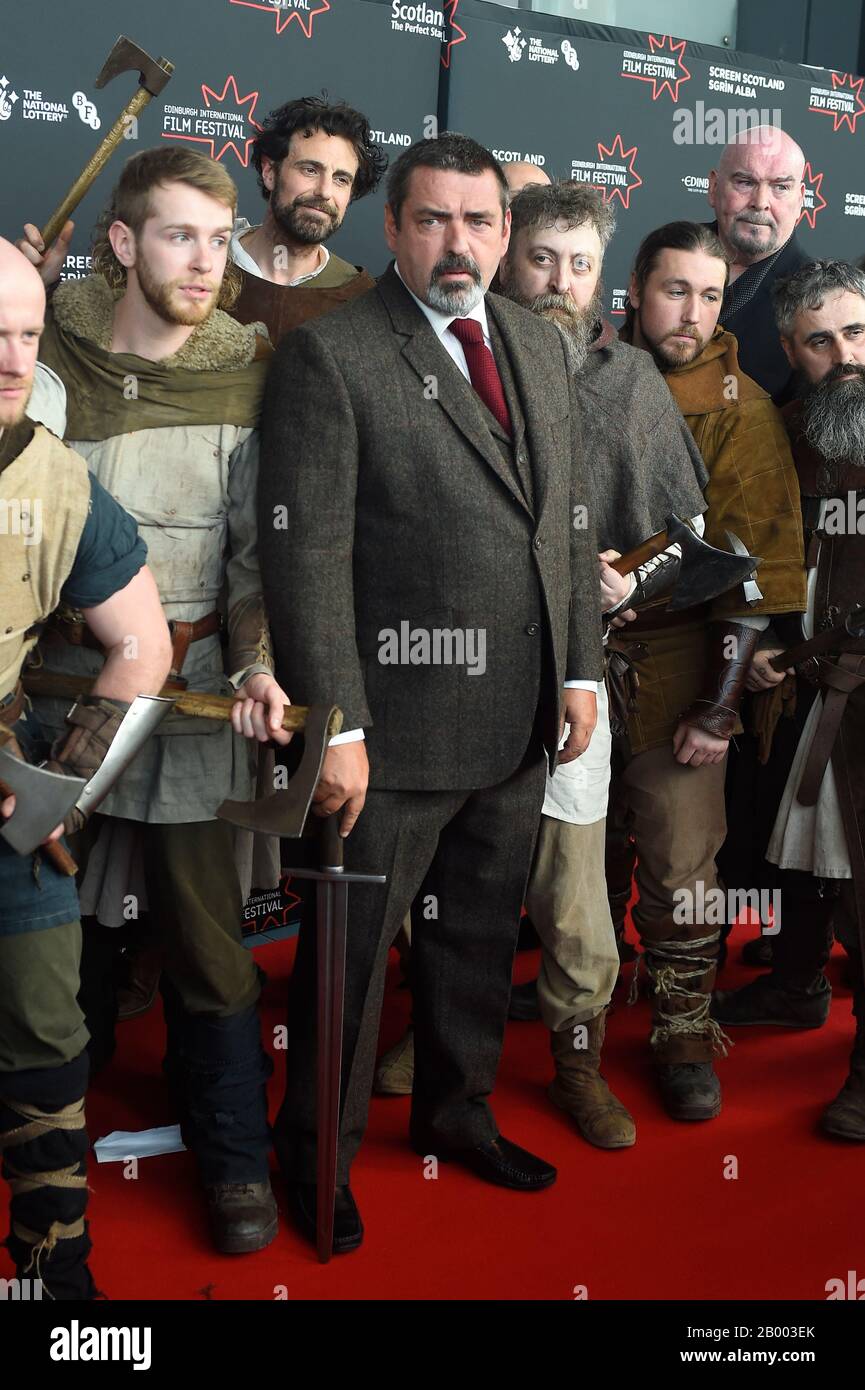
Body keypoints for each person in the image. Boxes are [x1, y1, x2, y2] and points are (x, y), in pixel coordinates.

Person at [259, 133, 603, 1253]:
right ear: (392, 226)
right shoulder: (333, 358)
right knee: (347, 973)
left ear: (506, 231)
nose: (458, 243)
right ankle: (313, 1156)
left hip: (515, 723)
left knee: (470, 947)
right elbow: (303, 560)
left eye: (479, 220)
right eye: (432, 219)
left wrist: (580, 665)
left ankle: (459, 1113)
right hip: (389, 737)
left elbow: (566, 523)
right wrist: (339, 726)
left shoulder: (542, 350)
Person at [29, 146, 292, 1255]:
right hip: (54, 693)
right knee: (45, 918)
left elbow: (255, 553)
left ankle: (233, 1157)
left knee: (202, 931)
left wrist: (259, 665)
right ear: (125, 242)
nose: (207, 262)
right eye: (180, 235)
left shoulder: (251, 371)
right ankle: (41, 1143)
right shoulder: (42, 355)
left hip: (189, 692)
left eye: (222, 238)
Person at [495, 181, 711, 1146]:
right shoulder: (459, 363)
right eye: (542, 257)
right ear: (507, 254)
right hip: (462, 665)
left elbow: (685, 533)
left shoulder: (627, 381)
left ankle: (575, 1061)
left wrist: (633, 582)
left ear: (602, 281)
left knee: (577, 893)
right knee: (457, 869)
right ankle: (439, 1034)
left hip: (581, 672)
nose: (559, 279)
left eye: (579, 263)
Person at [0, 238, 172, 1298]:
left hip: (9, 798)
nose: (10, 358)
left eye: (24, 334)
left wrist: (62, 784)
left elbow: (143, 643)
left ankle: (53, 1271)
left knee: (44, 1025)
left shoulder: (56, 481)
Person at [613, 220, 806, 1120]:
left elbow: (757, 559)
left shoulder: (743, 406)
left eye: (709, 295)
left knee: (683, 856)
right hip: (573, 656)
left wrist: (718, 708)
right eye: (672, 290)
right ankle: (592, 988)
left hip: (682, 660)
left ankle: (684, 1023)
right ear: (635, 288)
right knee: (564, 850)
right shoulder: (582, 372)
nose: (689, 314)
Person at [713, 261, 865, 1140]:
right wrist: (770, 645)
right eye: (820, 341)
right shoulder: (780, 432)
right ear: (789, 350)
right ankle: (797, 980)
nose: (843, 355)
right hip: (803, 683)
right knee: (800, 848)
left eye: (855, 333)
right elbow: (762, 552)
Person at [228, 94, 385, 342]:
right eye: (310, 170)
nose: (324, 192)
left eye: (341, 180)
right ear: (269, 171)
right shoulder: (202, 268)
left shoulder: (361, 299)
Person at [707, 124, 811, 404]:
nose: (760, 202)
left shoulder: (815, 296)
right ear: (714, 187)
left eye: (780, 187)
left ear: (800, 200)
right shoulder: (668, 255)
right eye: (745, 182)